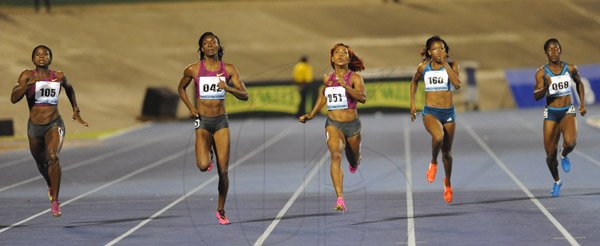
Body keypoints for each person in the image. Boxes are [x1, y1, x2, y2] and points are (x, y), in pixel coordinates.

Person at [177, 32, 248, 224]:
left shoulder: (229, 69)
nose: (210, 45)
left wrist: (228, 88)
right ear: (201, 48)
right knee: (202, 166)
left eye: (213, 42)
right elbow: (180, 88)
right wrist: (191, 107)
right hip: (202, 121)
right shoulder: (193, 69)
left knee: (223, 172)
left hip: (221, 122)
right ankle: (207, 150)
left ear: (218, 46)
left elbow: (245, 95)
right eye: (206, 43)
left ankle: (221, 209)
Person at [10, 45, 89, 217]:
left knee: (53, 157)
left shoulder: (58, 76)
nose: (41, 57)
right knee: (41, 162)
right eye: (38, 54)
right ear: (33, 59)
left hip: (54, 123)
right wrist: (27, 86)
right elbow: (13, 98)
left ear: (50, 58)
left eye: (45, 54)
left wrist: (76, 109)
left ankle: (55, 201)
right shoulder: (26, 75)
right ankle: (50, 184)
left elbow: (69, 88)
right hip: (34, 127)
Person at [299, 43, 366, 211]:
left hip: (352, 125)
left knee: (353, 159)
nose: (341, 55)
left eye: (344, 53)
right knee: (335, 156)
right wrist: (311, 114)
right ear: (332, 58)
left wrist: (346, 87)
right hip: (333, 124)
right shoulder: (327, 79)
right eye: (337, 53)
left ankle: (355, 160)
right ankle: (340, 198)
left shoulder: (355, 78)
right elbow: (323, 96)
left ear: (349, 58)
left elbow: (362, 98)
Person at [409, 36, 462, 204]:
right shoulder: (423, 67)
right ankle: (433, 162)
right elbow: (414, 82)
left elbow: (457, 84)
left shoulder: (452, 66)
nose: (439, 52)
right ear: (429, 52)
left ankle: (447, 183)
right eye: (435, 49)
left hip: (448, 114)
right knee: (438, 137)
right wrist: (412, 103)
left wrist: (445, 64)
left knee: (447, 153)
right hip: (430, 112)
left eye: (442, 48)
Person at [534, 38, 586, 197]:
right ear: (546, 53)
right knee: (550, 154)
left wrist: (582, 104)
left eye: (556, 49)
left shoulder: (570, 68)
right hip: (551, 113)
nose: (554, 52)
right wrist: (546, 86)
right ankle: (557, 181)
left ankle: (564, 154)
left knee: (570, 143)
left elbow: (579, 84)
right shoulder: (541, 73)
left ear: (561, 50)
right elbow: (536, 96)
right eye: (550, 50)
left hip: (567, 111)